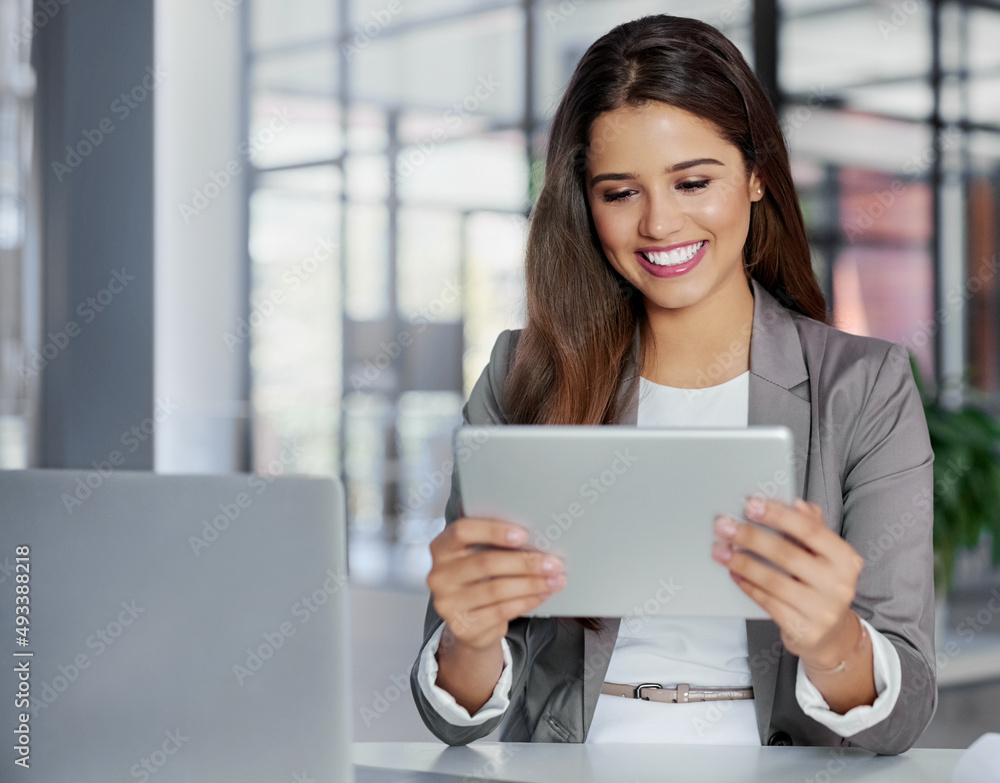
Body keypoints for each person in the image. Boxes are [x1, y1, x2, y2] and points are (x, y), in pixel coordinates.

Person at [409, 14, 936, 753]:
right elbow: (452, 716)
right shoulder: (523, 374)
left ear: (756, 175)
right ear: (585, 203)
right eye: (619, 193)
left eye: (693, 181)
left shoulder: (864, 388)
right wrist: (468, 636)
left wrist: (833, 639)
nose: (659, 223)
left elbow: (905, 714)